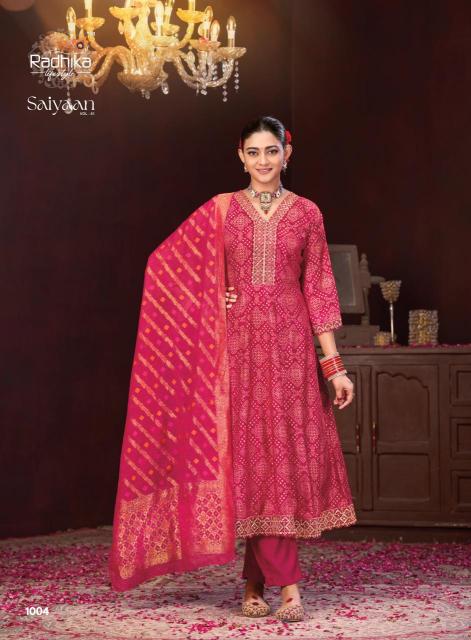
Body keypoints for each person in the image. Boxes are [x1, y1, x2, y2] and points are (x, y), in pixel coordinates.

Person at [108, 115, 356, 624]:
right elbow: (166, 266)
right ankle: (283, 586)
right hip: (235, 351)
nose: (264, 161)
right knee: (250, 464)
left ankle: (259, 583)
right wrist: (209, 295)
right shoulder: (221, 209)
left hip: (289, 350)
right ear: (240, 157)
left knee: (279, 462)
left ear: (288, 154)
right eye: (254, 152)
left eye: (272, 151)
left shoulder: (307, 213)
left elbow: (319, 289)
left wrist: (333, 366)